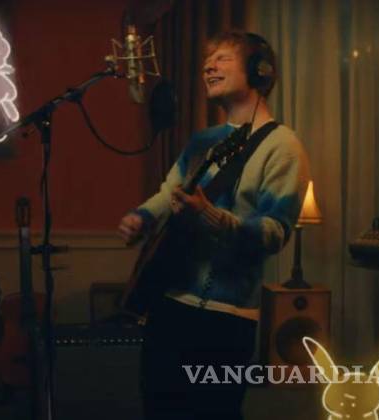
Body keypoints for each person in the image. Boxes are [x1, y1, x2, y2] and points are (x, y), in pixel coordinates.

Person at [118, 31, 310, 420]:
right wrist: (142, 217)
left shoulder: (284, 146)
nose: (208, 67)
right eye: (208, 60)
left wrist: (208, 214)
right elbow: (169, 192)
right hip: (169, 307)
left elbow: (274, 231)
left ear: (259, 71)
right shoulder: (202, 141)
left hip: (225, 317)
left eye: (222, 58)